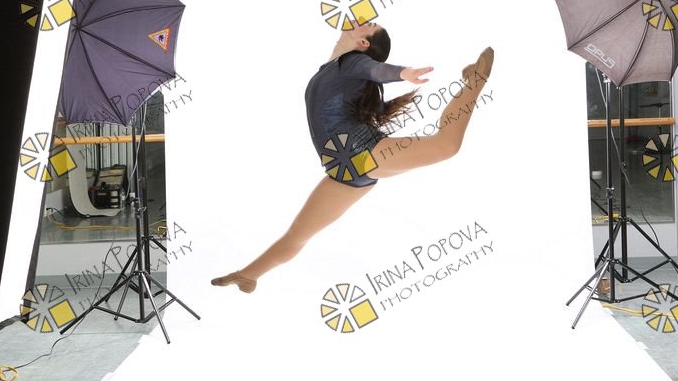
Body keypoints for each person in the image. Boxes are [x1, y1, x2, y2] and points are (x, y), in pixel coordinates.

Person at [211, 21, 494, 293]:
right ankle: (248, 276)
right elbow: (360, 76)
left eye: (369, 24)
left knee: (445, 146)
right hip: (345, 170)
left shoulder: (352, 62)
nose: (361, 20)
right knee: (297, 236)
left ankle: (475, 79)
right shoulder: (334, 68)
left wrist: (403, 73)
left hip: (360, 153)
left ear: (363, 43)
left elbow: (375, 69)